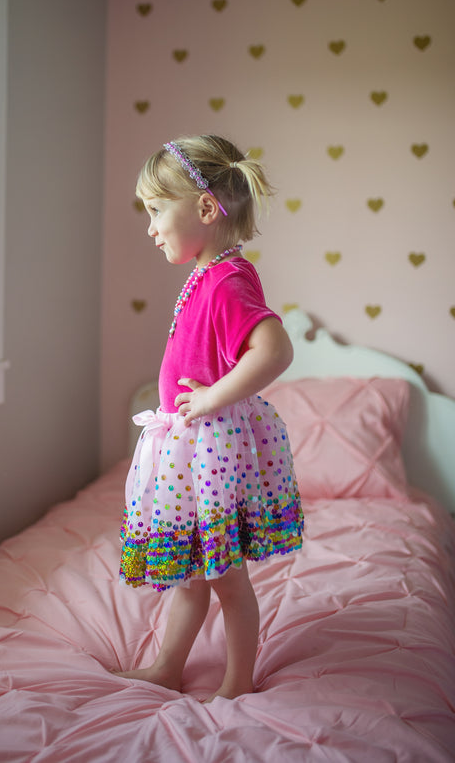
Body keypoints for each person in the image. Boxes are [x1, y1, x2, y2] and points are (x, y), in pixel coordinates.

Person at [117, 135, 304, 701]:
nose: (150, 228)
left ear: (202, 208)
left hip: (210, 455)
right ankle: (167, 668)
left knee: (225, 578)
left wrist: (212, 398)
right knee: (193, 576)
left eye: (155, 210)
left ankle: (237, 683)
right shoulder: (207, 273)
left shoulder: (227, 279)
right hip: (188, 450)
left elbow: (274, 351)